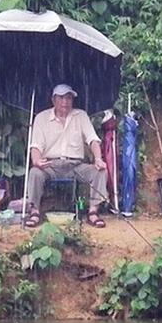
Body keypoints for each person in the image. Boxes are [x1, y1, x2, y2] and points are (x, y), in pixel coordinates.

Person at [23, 83, 108, 228]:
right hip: (50, 165)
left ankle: (93, 212)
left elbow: (93, 140)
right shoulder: (42, 118)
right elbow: (36, 146)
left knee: (99, 171)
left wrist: (98, 159)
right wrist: (36, 160)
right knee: (35, 173)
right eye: (61, 98)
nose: (65, 102)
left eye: (69, 98)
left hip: (76, 165)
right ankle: (35, 212)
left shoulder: (81, 115)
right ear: (53, 100)